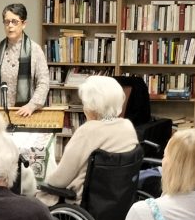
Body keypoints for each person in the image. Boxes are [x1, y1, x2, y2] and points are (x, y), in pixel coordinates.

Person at [38, 75, 139, 206]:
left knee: (38, 193)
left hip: (83, 202)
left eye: (85, 103)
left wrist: (42, 183)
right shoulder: (127, 126)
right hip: (117, 200)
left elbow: (60, 180)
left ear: (92, 107)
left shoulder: (88, 131)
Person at [0, 3, 50, 117]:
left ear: (24, 24)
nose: (10, 26)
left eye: (14, 21)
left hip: (26, 113)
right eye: (7, 22)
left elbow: (43, 82)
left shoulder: (35, 50)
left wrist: (31, 105)